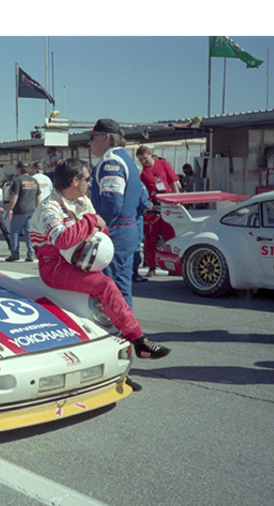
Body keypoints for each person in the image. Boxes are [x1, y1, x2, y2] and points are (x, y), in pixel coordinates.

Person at [30, 158, 171, 364]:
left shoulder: (82, 201)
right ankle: (138, 341)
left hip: (83, 261)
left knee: (111, 298)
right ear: (74, 181)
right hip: (55, 268)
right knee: (105, 286)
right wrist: (90, 222)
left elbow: (102, 231)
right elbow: (62, 240)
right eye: (87, 179)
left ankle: (118, 363)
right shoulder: (48, 208)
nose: (90, 183)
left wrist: (90, 226)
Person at [87, 119, 141, 307]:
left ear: (106, 137)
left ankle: (104, 333)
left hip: (115, 231)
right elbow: (143, 200)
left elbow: (112, 203)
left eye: (93, 137)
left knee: (99, 287)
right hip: (129, 229)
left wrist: (96, 230)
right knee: (122, 287)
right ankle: (127, 331)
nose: (89, 142)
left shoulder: (111, 161)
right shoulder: (128, 160)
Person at [136, 146, 180, 277]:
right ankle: (151, 266)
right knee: (150, 237)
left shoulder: (163, 164)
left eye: (145, 158)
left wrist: (177, 199)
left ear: (151, 154)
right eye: (141, 160)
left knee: (170, 236)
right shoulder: (142, 173)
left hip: (168, 203)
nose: (144, 162)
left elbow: (173, 182)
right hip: (153, 206)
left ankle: (173, 266)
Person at [6, 160, 39, 262]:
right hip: (32, 210)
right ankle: (31, 255)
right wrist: (37, 210)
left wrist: (10, 208)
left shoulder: (18, 181)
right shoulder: (34, 180)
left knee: (14, 232)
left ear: (19, 169)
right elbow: (38, 196)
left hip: (20, 210)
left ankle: (15, 254)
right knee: (29, 233)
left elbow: (14, 196)